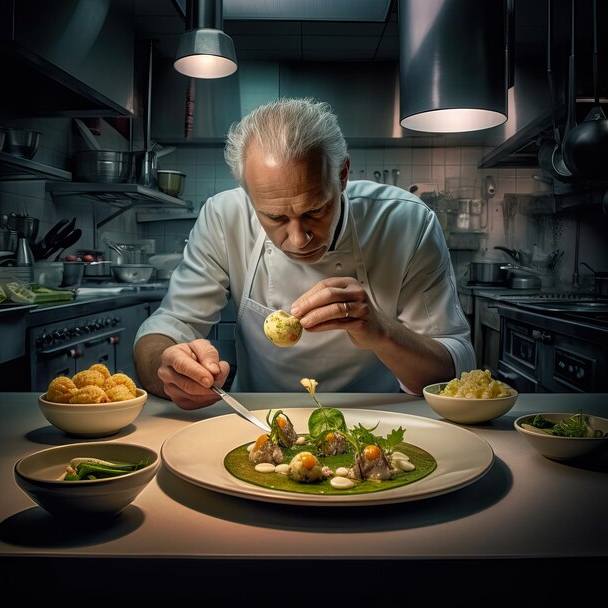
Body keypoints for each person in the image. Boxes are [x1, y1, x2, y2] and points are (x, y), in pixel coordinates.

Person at [134, 97, 475, 410]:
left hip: (378, 416)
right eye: (275, 217)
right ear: (247, 194)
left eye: (315, 210)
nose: (298, 239)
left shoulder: (406, 222)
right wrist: (168, 366)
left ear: (342, 175)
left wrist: (381, 331)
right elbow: (169, 325)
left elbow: (454, 369)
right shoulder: (224, 217)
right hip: (259, 416)